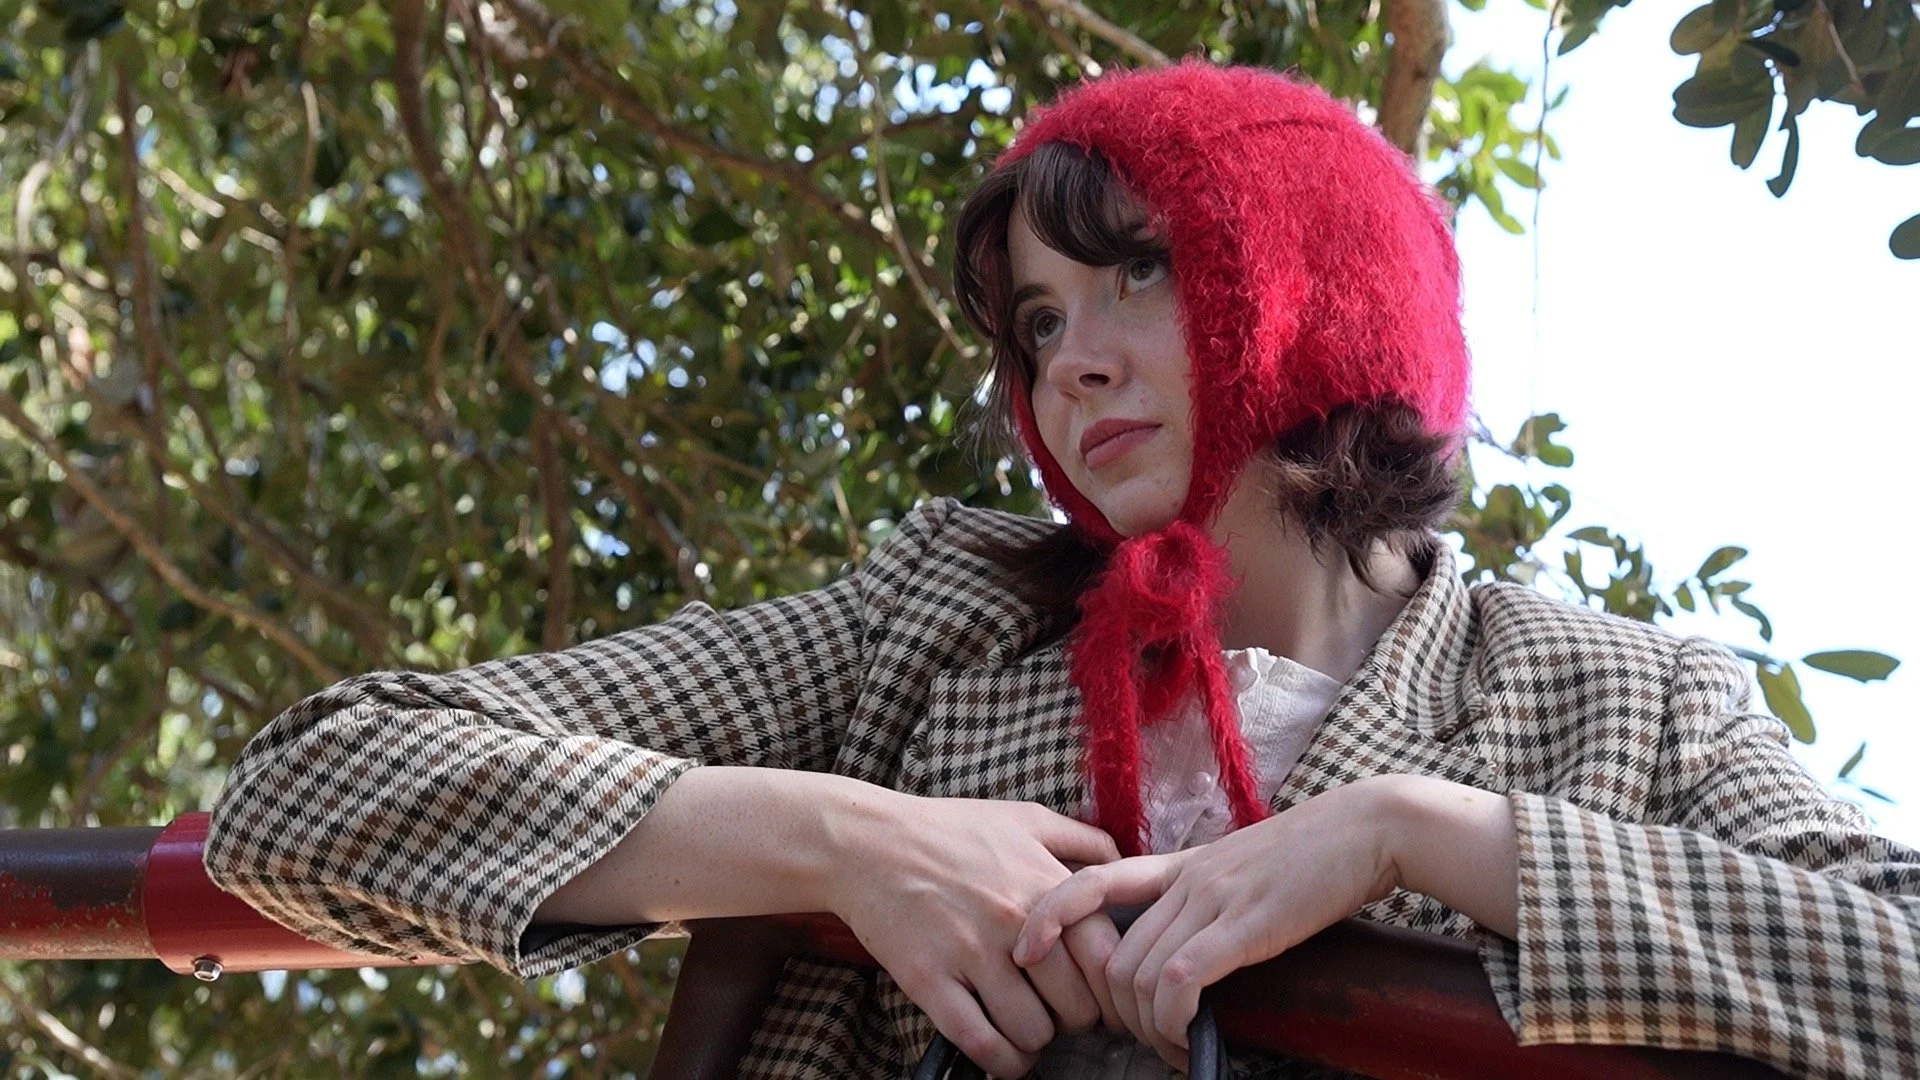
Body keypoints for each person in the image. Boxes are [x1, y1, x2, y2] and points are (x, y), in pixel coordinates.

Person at [202, 61, 1919, 1079]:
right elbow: (310, 789)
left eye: (1139, 280)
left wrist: (1413, 839)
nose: (1069, 362)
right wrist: (839, 840)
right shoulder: (939, 630)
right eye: (1036, 321)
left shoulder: (1621, 699)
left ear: (1314, 283)